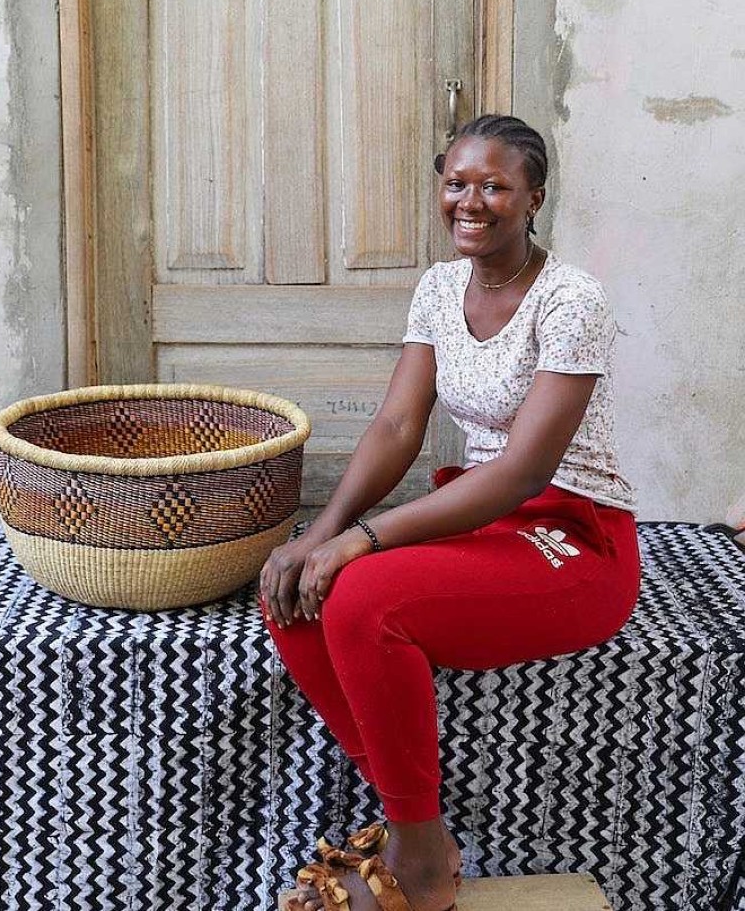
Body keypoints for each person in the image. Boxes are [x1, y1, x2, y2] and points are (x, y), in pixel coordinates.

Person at [259, 114, 639, 911]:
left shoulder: (571, 299)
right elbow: (399, 425)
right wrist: (319, 532)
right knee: (291, 589)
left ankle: (421, 862)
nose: (471, 201)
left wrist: (363, 540)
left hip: (572, 539)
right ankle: (411, 816)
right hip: (482, 523)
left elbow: (522, 471)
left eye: (495, 185)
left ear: (533, 197)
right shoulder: (438, 286)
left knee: (362, 595)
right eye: (457, 182)